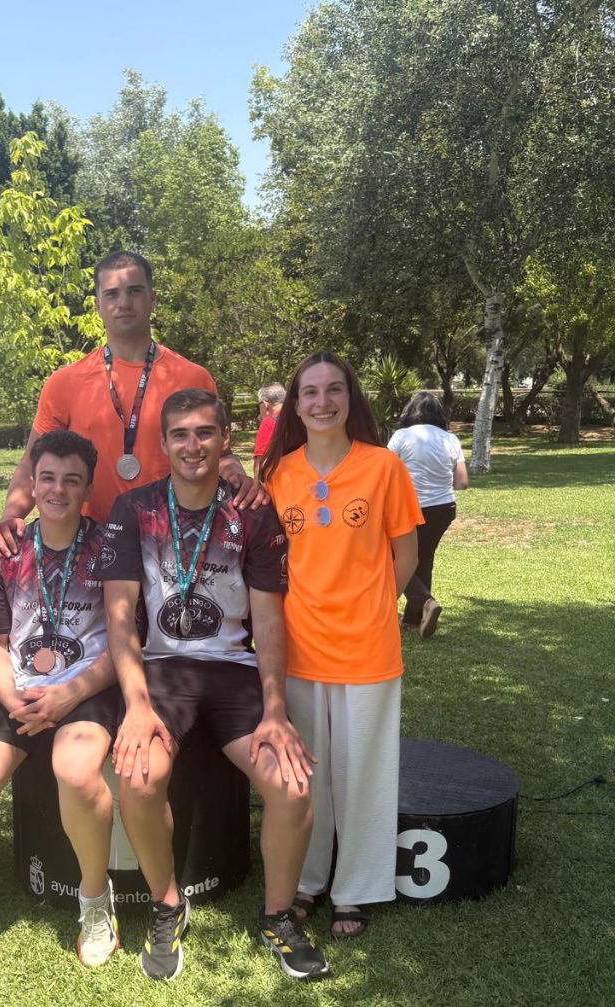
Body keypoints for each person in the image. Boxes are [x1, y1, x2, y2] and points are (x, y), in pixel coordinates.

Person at [101, 388, 328, 983]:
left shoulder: (252, 512)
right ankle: (167, 905)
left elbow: (269, 620)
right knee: (138, 778)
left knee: (293, 786)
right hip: (161, 669)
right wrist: (136, 706)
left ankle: (278, 917)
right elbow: (119, 618)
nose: (192, 445)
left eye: (204, 432)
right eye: (180, 434)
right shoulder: (134, 508)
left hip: (233, 671)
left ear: (225, 438)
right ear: (163, 443)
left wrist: (275, 712)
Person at [0, 431, 122, 976]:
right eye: (47, 478)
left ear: (88, 488)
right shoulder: (6, 552)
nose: (58, 490)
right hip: (16, 689)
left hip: (87, 688)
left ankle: (95, 902)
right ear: (31, 483)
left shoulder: (110, 547)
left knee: (76, 771)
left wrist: (69, 694)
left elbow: (126, 642)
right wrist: (13, 699)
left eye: (72, 480)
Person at [259, 350, 421, 939]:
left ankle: (355, 888)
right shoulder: (279, 474)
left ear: (350, 399)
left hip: (367, 649)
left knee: (362, 777)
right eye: (310, 392)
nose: (322, 401)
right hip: (299, 648)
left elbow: (406, 554)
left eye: (334, 390)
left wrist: (374, 607)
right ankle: (306, 879)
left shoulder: (383, 467)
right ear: (296, 406)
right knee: (308, 774)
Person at [0, 251, 263, 555]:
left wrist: (237, 475)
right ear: (97, 306)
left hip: (173, 547)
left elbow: (220, 456)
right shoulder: (64, 383)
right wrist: (10, 516)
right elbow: (33, 460)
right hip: (90, 549)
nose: (124, 302)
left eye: (134, 291)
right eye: (112, 294)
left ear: (152, 299)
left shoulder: (192, 377)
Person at [388, 392, 468, 638]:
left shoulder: (401, 436)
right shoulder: (451, 439)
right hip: (443, 508)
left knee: (393, 557)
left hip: (408, 508)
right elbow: (462, 482)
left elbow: (384, 471)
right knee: (423, 559)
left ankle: (425, 602)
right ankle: (414, 620)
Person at [253, 382, 286, 478]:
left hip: (277, 480)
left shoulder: (268, 422)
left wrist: (256, 484)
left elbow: (261, 460)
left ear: (265, 404)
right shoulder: (297, 417)